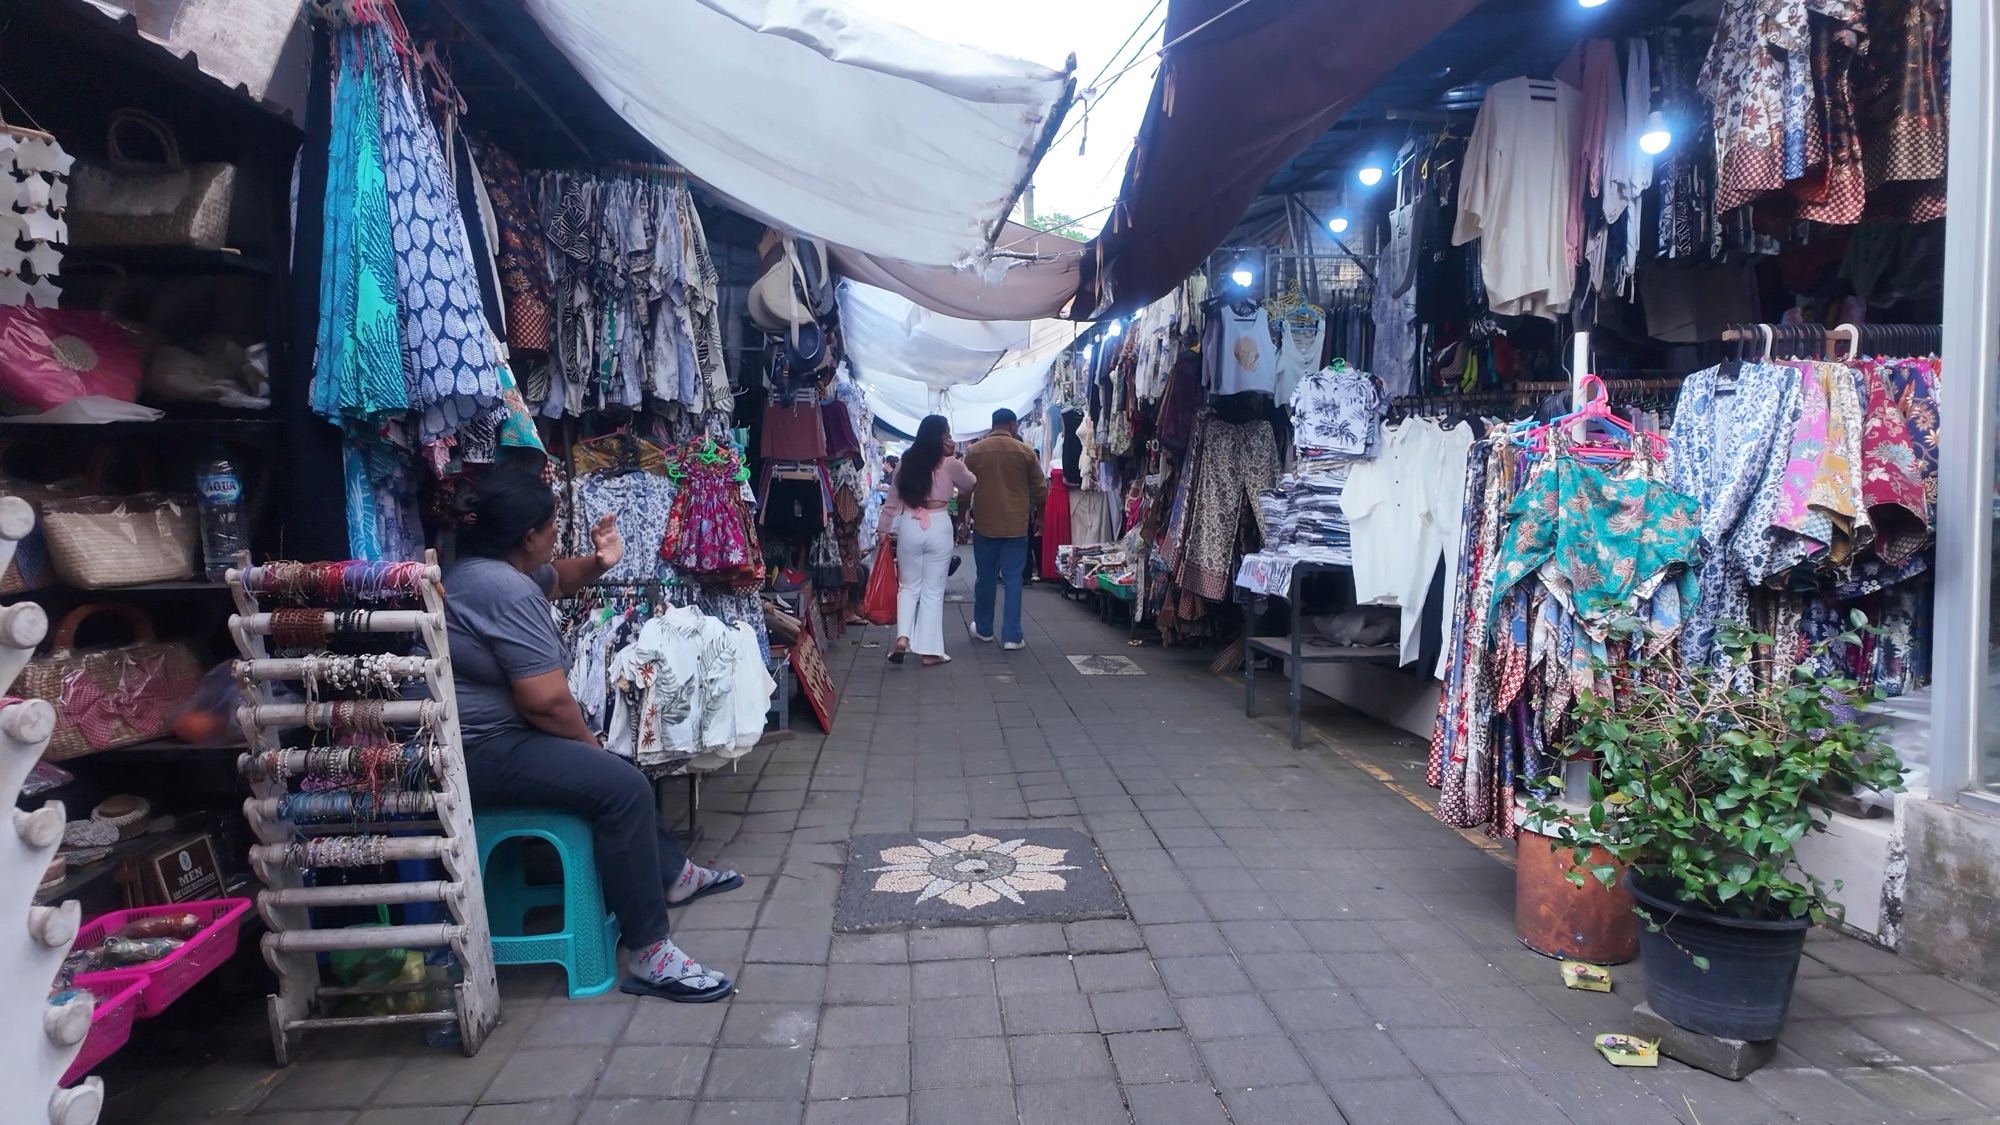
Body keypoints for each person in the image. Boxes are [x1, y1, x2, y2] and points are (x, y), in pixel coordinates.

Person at [443, 470, 740, 1003]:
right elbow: (547, 702)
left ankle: (673, 874)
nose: (557, 534)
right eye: (553, 525)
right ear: (528, 536)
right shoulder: (502, 588)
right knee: (619, 784)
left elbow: (555, 578)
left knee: (617, 772)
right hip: (483, 752)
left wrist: (603, 562)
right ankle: (651, 953)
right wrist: (589, 745)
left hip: (484, 744)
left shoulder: (477, 572)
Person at [879, 414, 973, 666]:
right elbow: (970, 483)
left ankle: (902, 637)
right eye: (948, 434)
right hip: (939, 523)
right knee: (933, 589)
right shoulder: (949, 464)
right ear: (942, 438)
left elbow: (892, 500)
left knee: (908, 587)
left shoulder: (906, 461)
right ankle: (930, 651)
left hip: (910, 523)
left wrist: (883, 530)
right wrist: (952, 458)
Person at [962, 408, 1048, 650]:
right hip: (1016, 525)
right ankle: (1012, 636)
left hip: (985, 523)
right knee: (1013, 580)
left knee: (985, 578)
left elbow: (965, 489)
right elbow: (1040, 490)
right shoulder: (1026, 452)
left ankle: (984, 628)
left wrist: (962, 517)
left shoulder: (974, 451)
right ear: (1012, 424)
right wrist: (1040, 517)